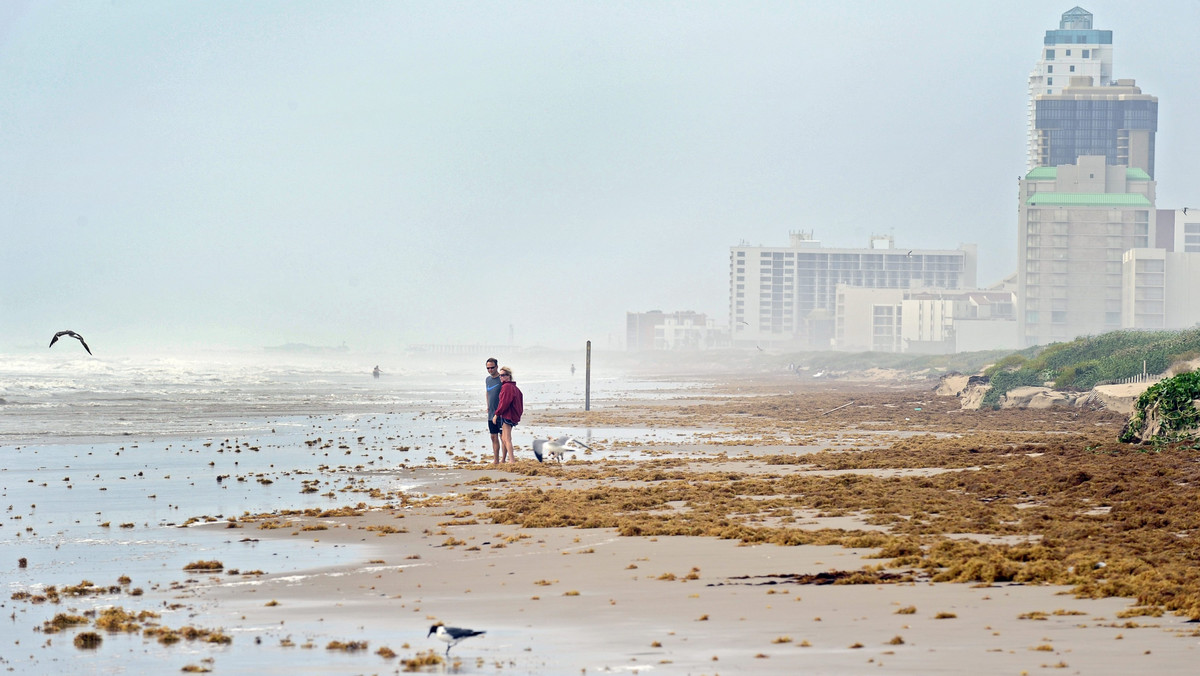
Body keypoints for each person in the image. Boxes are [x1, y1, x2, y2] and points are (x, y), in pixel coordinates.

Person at [492, 366, 523, 463]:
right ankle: (509, 460)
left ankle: (512, 460)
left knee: (506, 438)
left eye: (503, 375)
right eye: (500, 375)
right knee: (505, 438)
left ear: (508, 376)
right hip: (511, 415)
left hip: (507, 415)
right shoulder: (514, 387)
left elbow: (504, 403)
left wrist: (497, 414)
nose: (500, 377)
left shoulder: (507, 387)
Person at [484, 358, 502, 464]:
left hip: (501, 412)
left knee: (503, 437)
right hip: (491, 413)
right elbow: (487, 392)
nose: (490, 370)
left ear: (496, 367)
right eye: (488, 368)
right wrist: (488, 406)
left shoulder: (502, 378)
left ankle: (504, 459)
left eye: (492, 367)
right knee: (493, 436)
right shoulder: (487, 379)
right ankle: (496, 460)